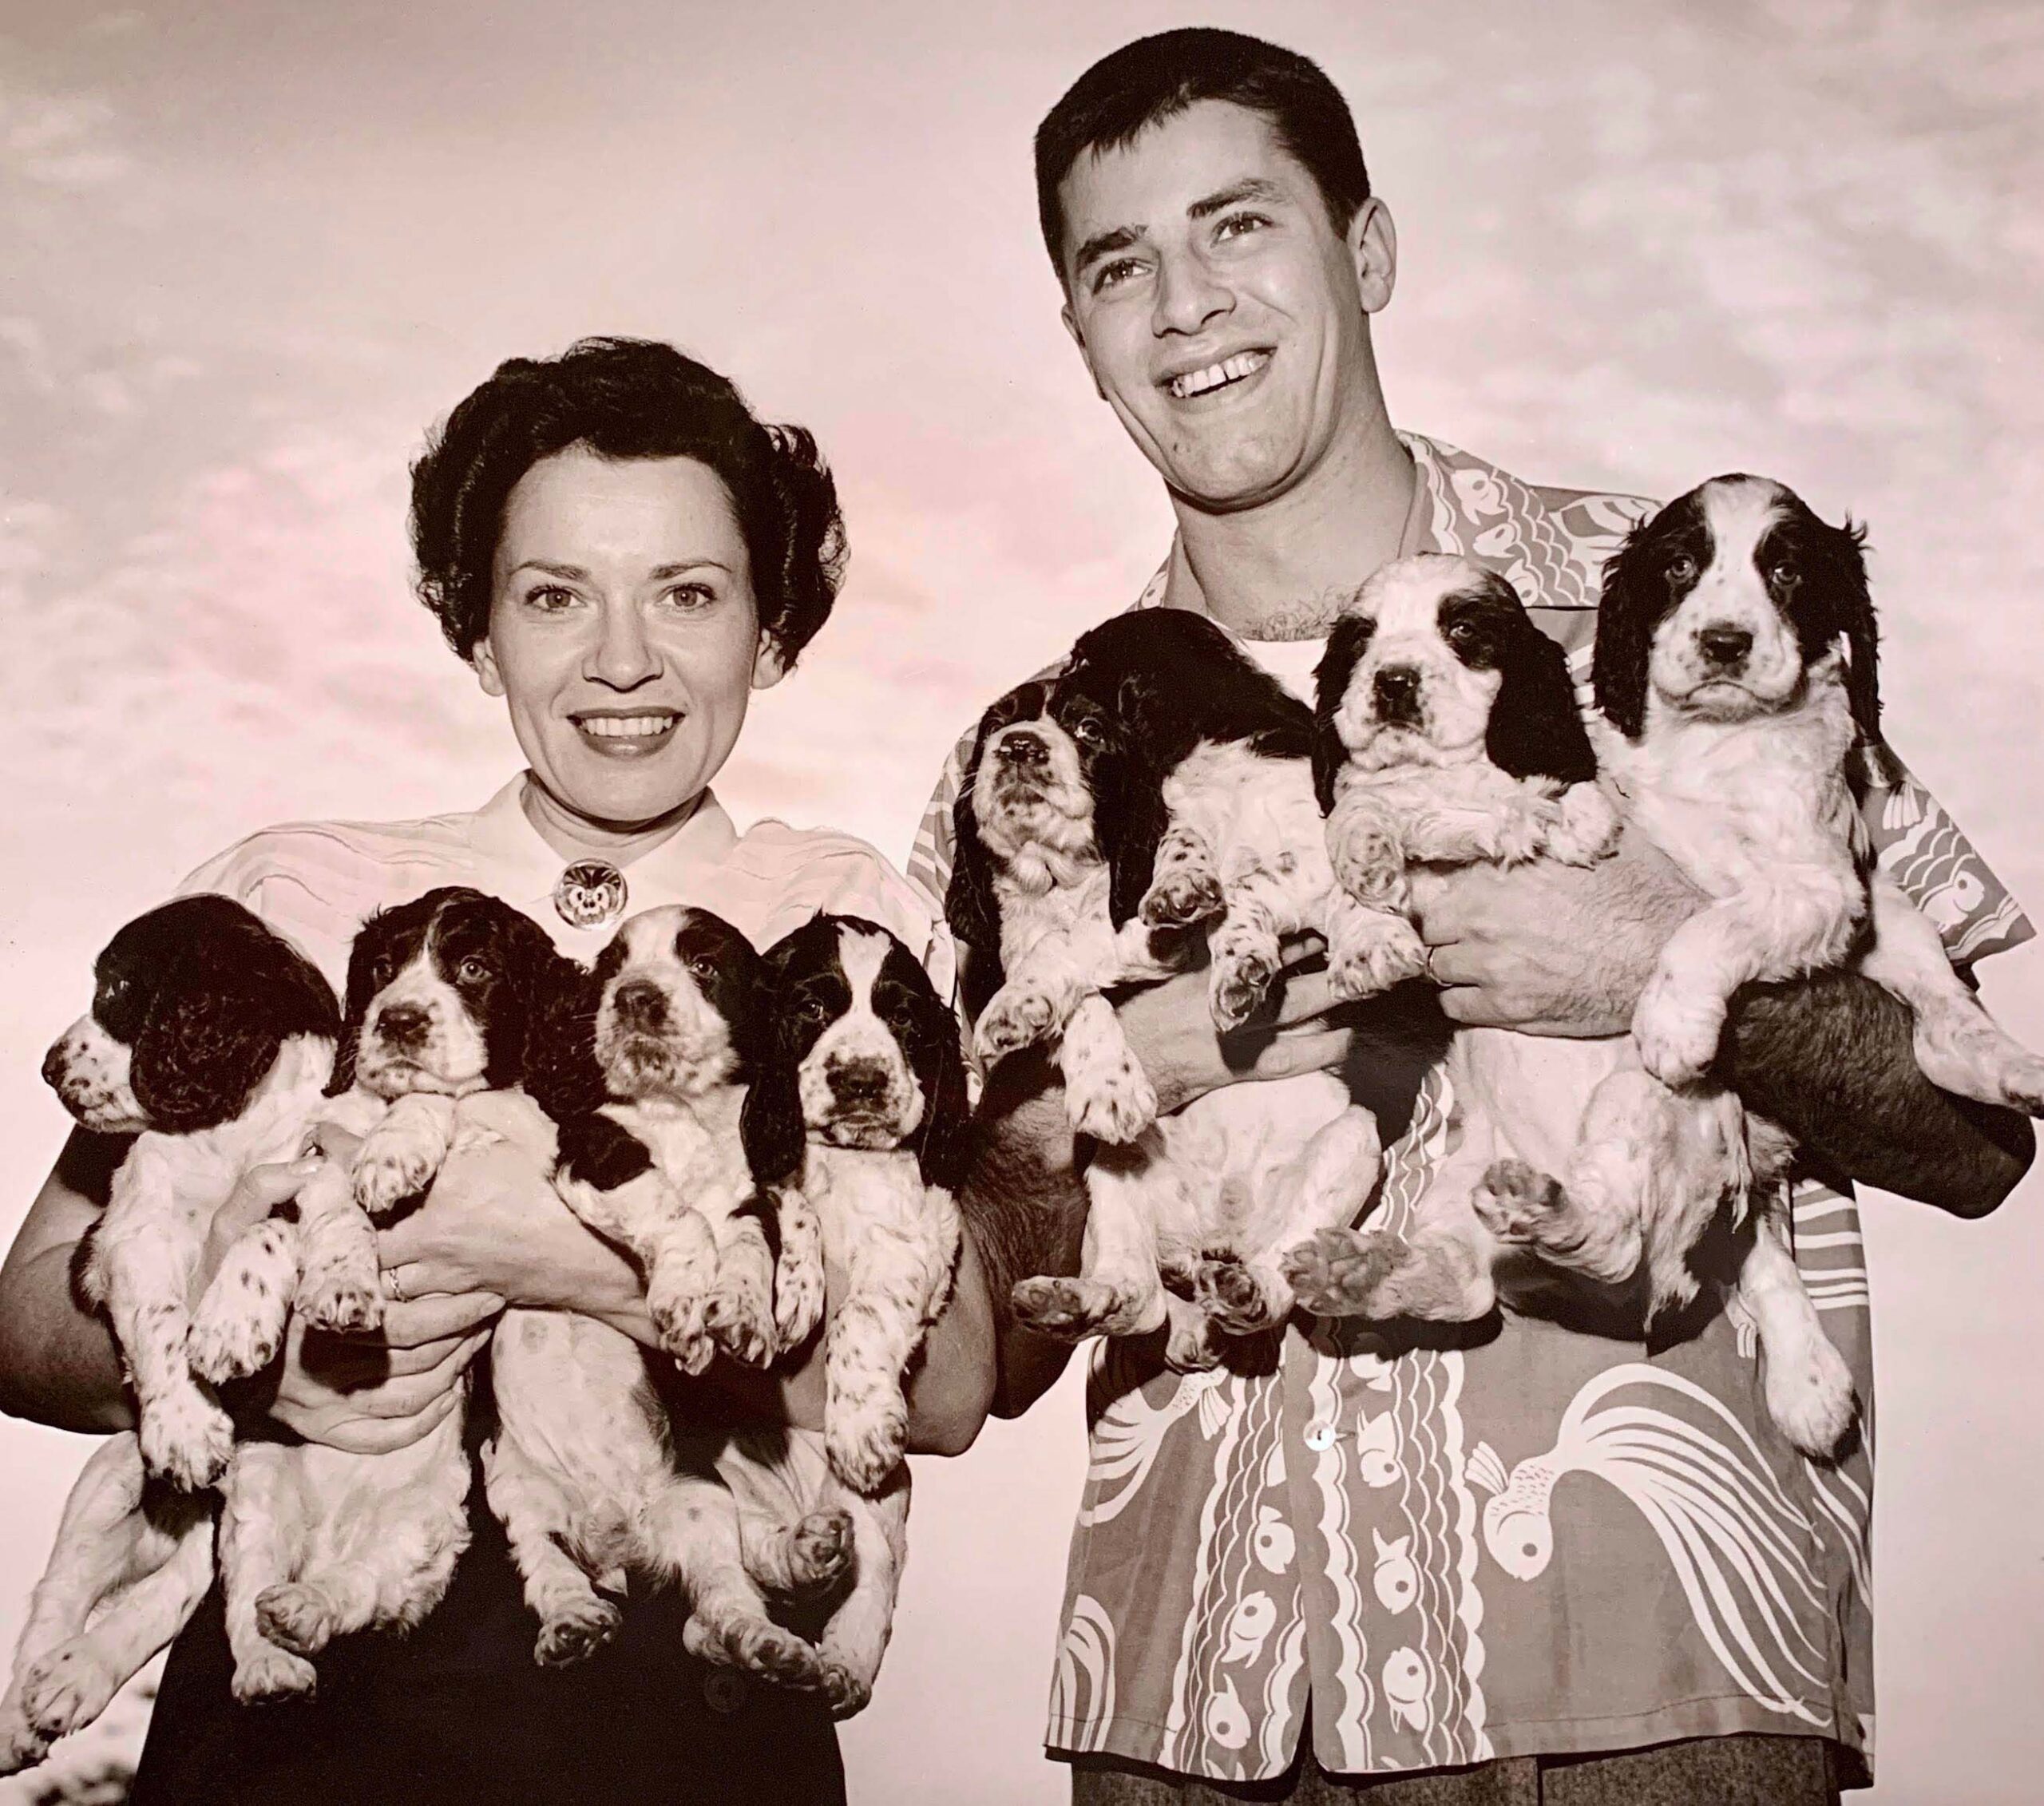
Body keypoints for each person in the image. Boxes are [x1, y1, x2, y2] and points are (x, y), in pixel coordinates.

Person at [907, 29, 2034, 1805]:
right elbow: (983, 1317)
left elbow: (1978, 1137)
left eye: (1237, 228)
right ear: (1079, 339)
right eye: (1117, 266)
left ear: (1363, 253)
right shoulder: (1029, 759)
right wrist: (1148, 1051)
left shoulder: (1678, 605)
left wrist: (1656, 965)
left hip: (1653, 1682)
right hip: (1201, 1714)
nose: (1185, 305)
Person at [0, 335, 992, 1806]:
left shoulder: (837, 933)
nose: (623, 659)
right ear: (476, 635)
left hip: (692, 1727)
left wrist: (573, 1257)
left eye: (690, 593)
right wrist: (236, 1299)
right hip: (296, 1732)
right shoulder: (305, 893)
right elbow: (28, 1322)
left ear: (773, 632)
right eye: (552, 596)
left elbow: (956, 1382)